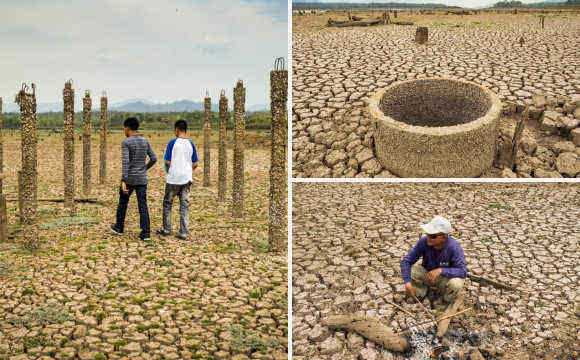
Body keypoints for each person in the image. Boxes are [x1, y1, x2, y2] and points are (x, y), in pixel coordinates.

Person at [109, 117, 157, 241]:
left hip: (129, 178)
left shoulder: (126, 142)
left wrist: (123, 180)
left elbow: (126, 162)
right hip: (141, 179)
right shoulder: (145, 141)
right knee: (143, 205)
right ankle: (145, 232)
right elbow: (154, 158)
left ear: (127, 128)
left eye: (124, 128)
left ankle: (119, 227)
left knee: (123, 203)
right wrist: (144, 169)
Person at [400, 216, 467, 304]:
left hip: (445, 278)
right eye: (427, 234)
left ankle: (445, 301)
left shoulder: (454, 247)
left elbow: (462, 271)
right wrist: (407, 283)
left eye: (432, 236)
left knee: (455, 284)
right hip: (428, 274)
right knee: (412, 271)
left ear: (444, 237)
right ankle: (420, 293)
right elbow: (406, 261)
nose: (428, 237)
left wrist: (441, 270)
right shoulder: (424, 242)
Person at [157, 120, 198, 240]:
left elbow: (168, 161)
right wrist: (187, 171)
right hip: (186, 178)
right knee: (184, 205)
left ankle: (166, 229)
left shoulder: (172, 143)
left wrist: (172, 170)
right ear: (186, 130)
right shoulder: (191, 144)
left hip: (174, 179)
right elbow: (195, 163)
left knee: (168, 203)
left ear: (176, 129)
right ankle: (183, 231)